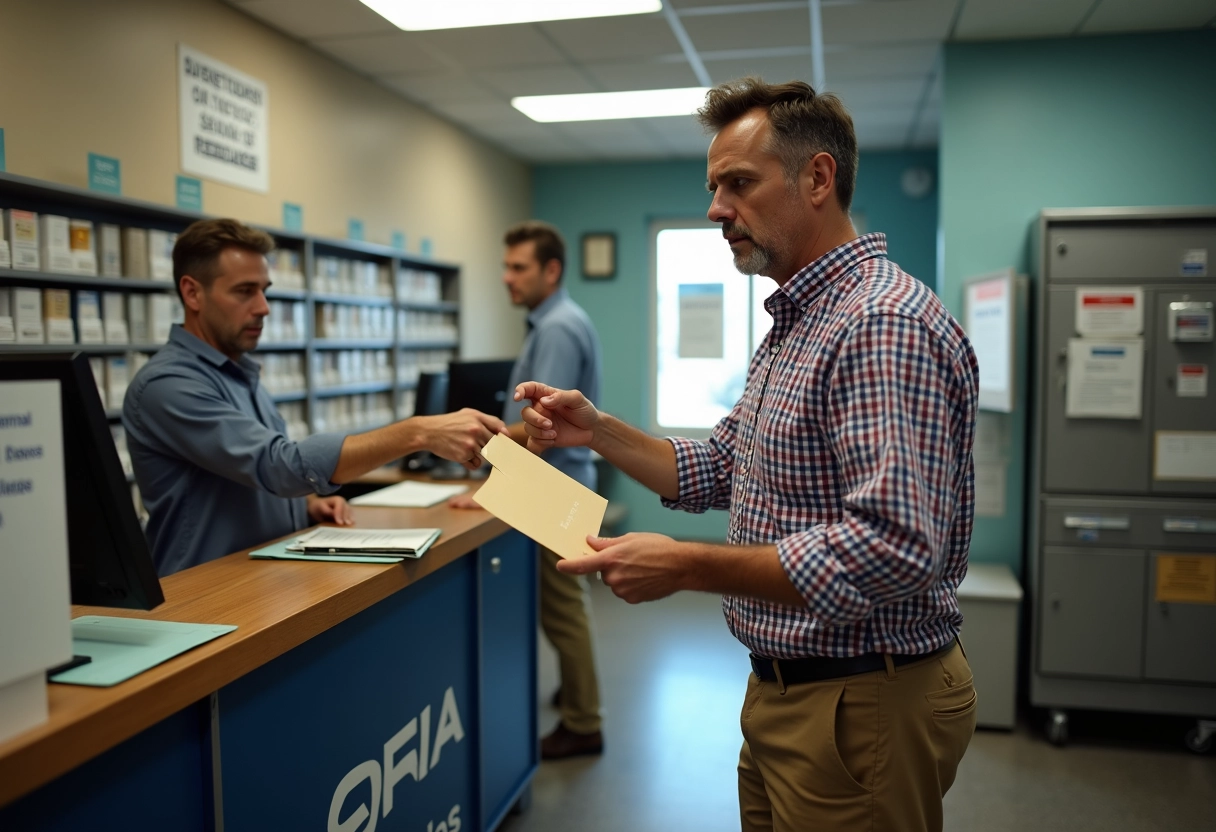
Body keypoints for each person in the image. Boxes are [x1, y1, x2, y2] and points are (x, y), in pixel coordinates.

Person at [514, 78, 979, 831]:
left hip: (860, 699)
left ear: (818, 178)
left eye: (738, 184)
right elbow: (725, 465)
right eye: (713, 187)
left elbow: (892, 547)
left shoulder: (879, 323)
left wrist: (687, 566)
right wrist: (597, 431)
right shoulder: (800, 320)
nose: (716, 209)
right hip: (789, 690)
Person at [124, 218, 505, 577]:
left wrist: (305, 504)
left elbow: (241, 474)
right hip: (202, 593)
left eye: (264, 290)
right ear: (192, 293)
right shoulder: (168, 384)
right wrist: (417, 433)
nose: (263, 307)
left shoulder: (238, 372)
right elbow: (276, 465)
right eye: (244, 291)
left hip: (260, 579)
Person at [451, 221, 605, 760]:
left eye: (518, 268)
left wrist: (489, 471)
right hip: (556, 483)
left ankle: (584, 722)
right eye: (506, 266)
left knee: (563, 610)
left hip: (551, 488)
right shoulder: (557, 321)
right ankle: (575, 694)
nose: (506, 277)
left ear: (551, 270)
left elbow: (544, 426)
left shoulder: (557, 328)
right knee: (565, 606)